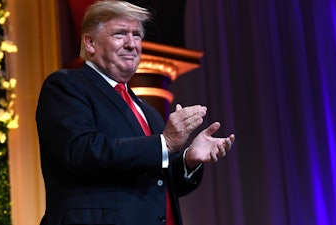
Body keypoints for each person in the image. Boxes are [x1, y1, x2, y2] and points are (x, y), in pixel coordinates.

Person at [36, 1, 235, 224]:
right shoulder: (66, 86)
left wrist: (188, 161)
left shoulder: (147, 110)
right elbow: (80, 152)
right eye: (120, 34)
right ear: (90, 42)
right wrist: (165, 143)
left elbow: (158, 185)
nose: (132, 44)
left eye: (137, 35)